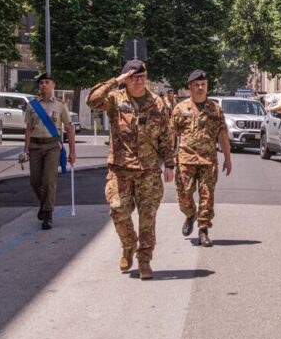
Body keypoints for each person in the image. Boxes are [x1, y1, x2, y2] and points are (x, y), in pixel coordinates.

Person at [87, 60, 174, 279]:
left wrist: (170, 164)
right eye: (133, 78)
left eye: (142, 77)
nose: (139, 81)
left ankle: (144, 260)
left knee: (148, 218)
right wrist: (115, 81)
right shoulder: (115, 99)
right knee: (118, 211)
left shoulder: (157, 103)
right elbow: (92, 100)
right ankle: (128, 245)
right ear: (126, 79)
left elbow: (165, 135)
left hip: (149, 171)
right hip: (120, 169)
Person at [171, 70, 232, 247]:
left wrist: (228, 158)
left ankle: (203, 229)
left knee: (207, 196)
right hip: (185, 160)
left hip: (208, 161)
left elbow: (222, 135)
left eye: (203, 85)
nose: (200, 88)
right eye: (197, 85)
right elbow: (172, 134)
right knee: (184, 195)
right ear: (190, 87)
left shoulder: (215, 109)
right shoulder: (180, 108)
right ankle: (190, 214)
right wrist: (168, 159)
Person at [23, 74, 76, 231]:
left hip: (53, 147)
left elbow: (69, 128)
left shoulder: (60, 106)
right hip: (35, 146)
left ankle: (48, 213)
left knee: (48, 181)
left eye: (47, 82)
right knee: (35, 181)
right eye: (41, 83)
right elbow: (28, 129)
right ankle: (44, 204)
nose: (44, 85)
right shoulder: (32, 106)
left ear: (53, 85)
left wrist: (72, 151)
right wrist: (26, 147)